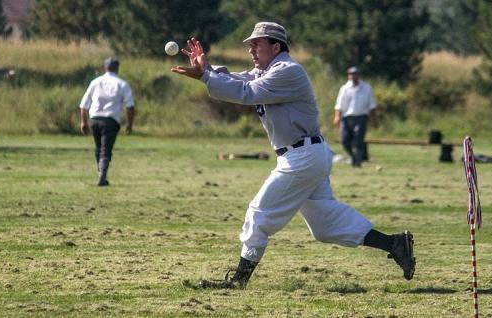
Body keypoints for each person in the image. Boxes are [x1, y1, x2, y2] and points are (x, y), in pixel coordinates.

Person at [171, 22, 415, 289]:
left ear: (276, 47)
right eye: (250, 44)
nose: (251, 48)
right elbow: (241, 78)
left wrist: (206, 76)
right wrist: (206, 69)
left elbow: (246, 92)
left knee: (258, 214)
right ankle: (395, 243)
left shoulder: (288, 71)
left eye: (257, 43)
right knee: (325, 226)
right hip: (307, 154)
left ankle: (238, 281)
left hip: (303, 156)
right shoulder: (268, 70)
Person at [79, 57, 135, 186]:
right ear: (117, 68)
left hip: (95, 119)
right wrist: (129, 124)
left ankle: (101, 174)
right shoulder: (122, 84)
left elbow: (84, 105)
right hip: (111, 120)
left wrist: (83, 122)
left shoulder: (95, 82)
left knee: (98, 147)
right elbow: (130, 106)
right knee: (106, 149)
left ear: (105, 68)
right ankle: (102, 175)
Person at [333, 66, 376, 167]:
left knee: (358, 140)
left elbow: (372, 105)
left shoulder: (366, 88)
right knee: (344, 141)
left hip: (361, 117)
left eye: (354, 74)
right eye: (350, 74)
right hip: (347, 118)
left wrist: (374, 120)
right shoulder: (344, 89)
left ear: (358, 75)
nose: (352, 76)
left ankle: (358, 162)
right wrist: (337, 117)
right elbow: (339, 104)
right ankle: (354, 156)